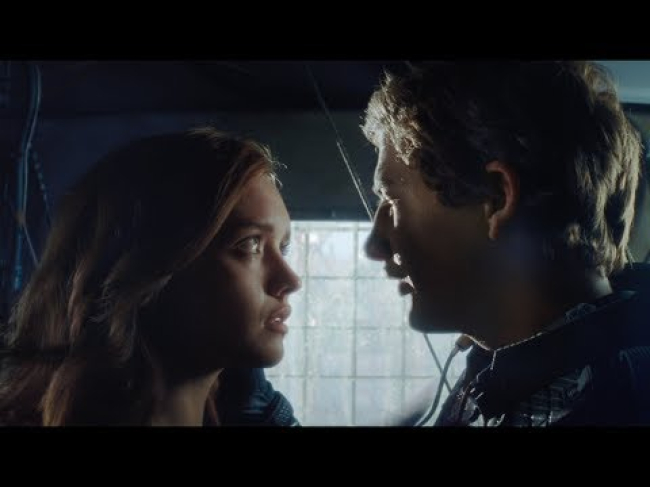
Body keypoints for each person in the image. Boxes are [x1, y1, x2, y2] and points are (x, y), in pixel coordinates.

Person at [362, 61, 650, 426]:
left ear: (497, 197)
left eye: (391, 202)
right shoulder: (498, 378)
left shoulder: (621, 404)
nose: (374, 247)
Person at [0, 127, 302, 426]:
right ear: (150, 266)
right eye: (249, 245)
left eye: (282, 248)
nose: (290, 280)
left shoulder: (248, 404)